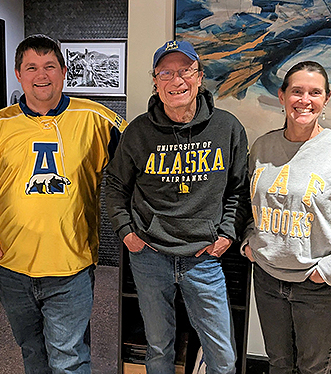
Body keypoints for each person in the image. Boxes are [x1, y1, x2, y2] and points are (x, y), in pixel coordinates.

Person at [0, 34, 127, 374]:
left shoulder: (96, 119)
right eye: (32, 67)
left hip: (70, 264)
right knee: (31, 352)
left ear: (64, 71)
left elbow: (137, 164)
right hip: (12, 265)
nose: (42, 75)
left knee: (69, 358)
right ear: (18, 74)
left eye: (50, 66)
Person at [105, 40, 250, 374]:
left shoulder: (227, 128)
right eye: (166, 72)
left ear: (199, 77)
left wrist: (227, 233)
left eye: (185, 70)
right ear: (155, 82)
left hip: (203, 258)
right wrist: (127, 232)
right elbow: (114, 185)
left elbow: (239, 189)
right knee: (158, 348)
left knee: (224, 357)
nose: (176, 80)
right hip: (149, 256)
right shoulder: (138, 131)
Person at [242, 61, 331, 374]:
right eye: (296, 91)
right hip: (267, 281)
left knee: (312, 369)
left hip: (318, 288)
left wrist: (328, 270)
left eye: (314, 92)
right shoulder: (262, 146)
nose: (304, 100)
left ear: (326, 98)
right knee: (278, 365)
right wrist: (249, 243)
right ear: (282, 97)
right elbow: (248, 204)